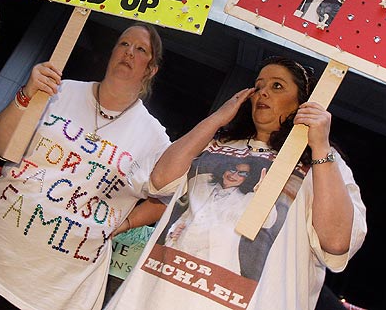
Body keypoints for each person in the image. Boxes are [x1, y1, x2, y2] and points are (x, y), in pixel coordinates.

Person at [0, 23, 174, 310]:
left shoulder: (155, 138)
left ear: (151, 69)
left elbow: (165, 199)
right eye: (123, 44)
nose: (129, 52)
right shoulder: (60, 90)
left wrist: (124, 224)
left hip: (50, 288)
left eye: (140, 49)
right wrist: (26, 94)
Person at [106, 56, 367, 310]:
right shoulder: (215, 144)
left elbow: (336, 241)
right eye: (259, 85)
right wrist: (218, 119)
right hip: (158, 297)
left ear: (303, 103)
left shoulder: (322, 163)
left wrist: (320, 145)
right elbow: (159, 181)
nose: (263, 92)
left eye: (277, 86)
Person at [162, 154, 275, 276]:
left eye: (242, 174)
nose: (234, 175)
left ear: (248, 179)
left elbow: (267, 221)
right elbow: (185, 217)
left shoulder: (248, 199)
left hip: (214, 265)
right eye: (232, 169)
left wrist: (262, 195)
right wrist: (172, 234)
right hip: (178, 255)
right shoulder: (201, 184)